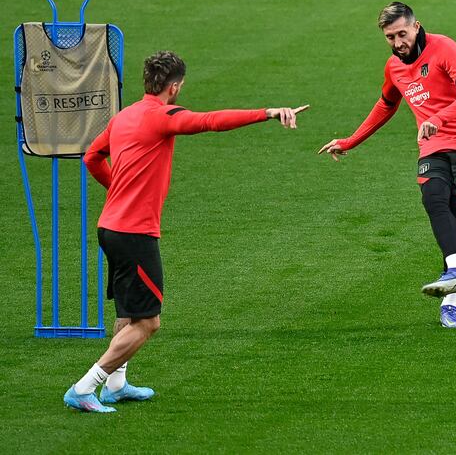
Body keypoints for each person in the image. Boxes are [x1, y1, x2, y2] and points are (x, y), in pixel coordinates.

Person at [64, 51, 308, 413]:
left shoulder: (125, 116)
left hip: (110, 228)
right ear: (174, 87)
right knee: (148, 322)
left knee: (130, 311)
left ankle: (116, 385)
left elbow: (91, 158)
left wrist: (118, 188)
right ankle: (86, 387)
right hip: (134, 234)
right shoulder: (162, 117)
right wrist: (268, 112)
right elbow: (210, 121)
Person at [319, 2, 456, 329]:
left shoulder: (444, 47)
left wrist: (440, 118)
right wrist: (350, 141)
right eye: (390, 36)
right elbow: (386, 105)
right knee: (433, 199)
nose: (398, 41)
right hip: (433, 144)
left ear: (416, 27)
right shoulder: (394, 68)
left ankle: (450, 301)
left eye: (402, 33)